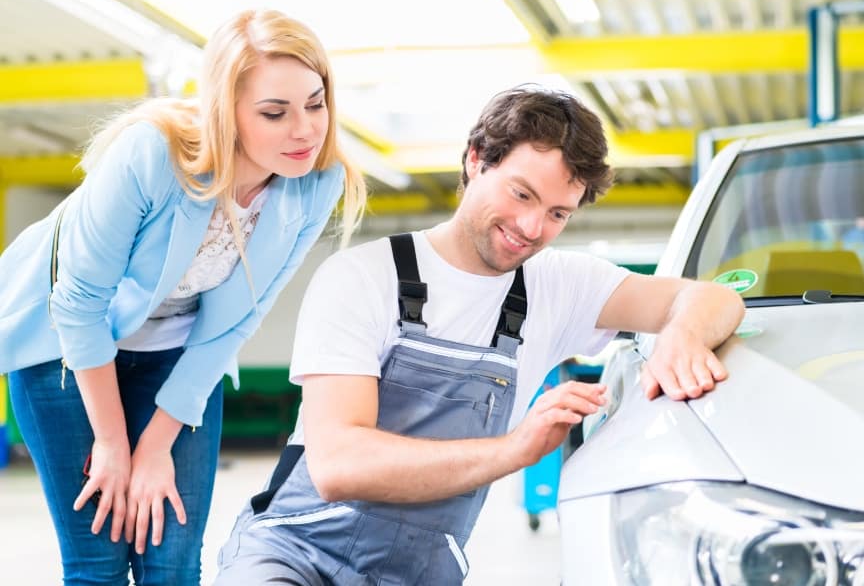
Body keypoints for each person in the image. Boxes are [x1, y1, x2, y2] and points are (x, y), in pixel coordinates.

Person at [215, 86, 745, 585]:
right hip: (293, 555)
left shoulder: (559, 285)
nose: (532, 227)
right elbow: (338, 464)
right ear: (475, 160)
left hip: (419, 572)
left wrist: (683, 334)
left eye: (557, 213)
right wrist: (514, 449)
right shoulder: (362, 276)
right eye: (521, 194)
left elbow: (717, 298)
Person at [0, 8, 365, 585]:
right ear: (227, 109)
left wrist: (155, 446)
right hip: (64, 350)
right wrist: (115, 444)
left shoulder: (316, 184)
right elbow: (79, 303)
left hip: (176, 351)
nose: (304, 130)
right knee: (97, 560)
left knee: (171, 562)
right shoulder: (151, 155)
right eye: (275, 112)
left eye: (315, 104)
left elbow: (234, 323)